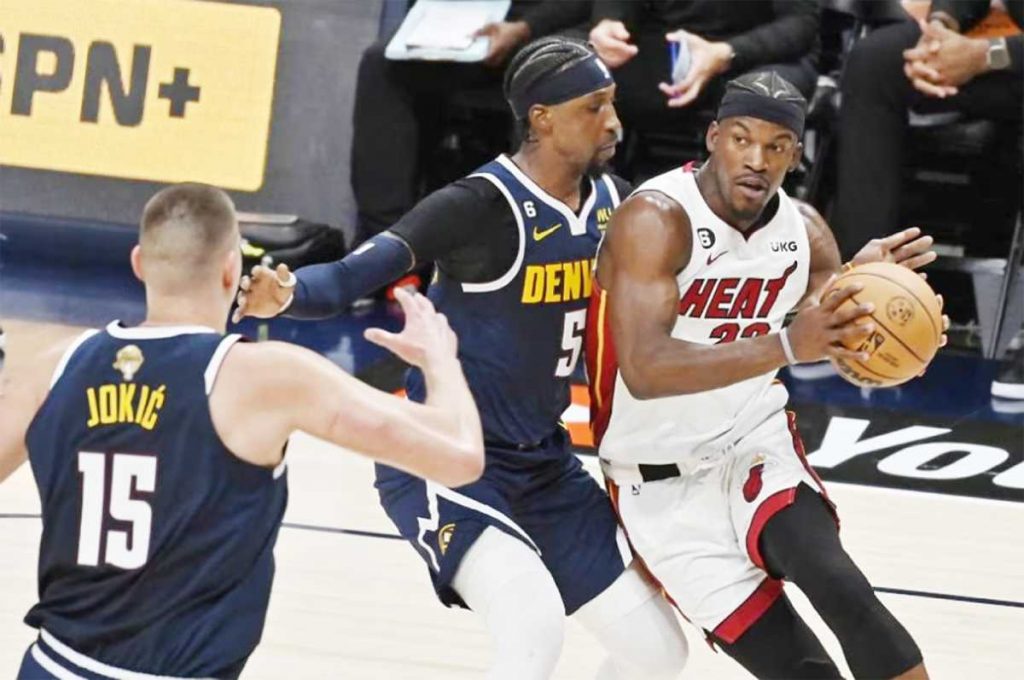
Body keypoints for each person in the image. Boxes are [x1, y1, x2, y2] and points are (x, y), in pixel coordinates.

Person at [235, 37, 690, 680]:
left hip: (544, 465)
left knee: (659, 653)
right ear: (542, 117)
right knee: (531, 626)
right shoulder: (479, 205)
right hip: (443, 455)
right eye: (594, 107)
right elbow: (346, 278)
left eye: (612, 103)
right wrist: (285, 295)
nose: (613, 121)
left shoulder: (618, 204)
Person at [0, 183, 485, 679]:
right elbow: (460, 455)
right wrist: (440, 361)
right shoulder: (266, 378)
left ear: (140, 263)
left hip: (51, 666)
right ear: (232, 269)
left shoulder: (56, 365)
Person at [587, 72, 947, 679]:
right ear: (713, 137)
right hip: (656, 486)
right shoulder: (655, 218)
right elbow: (646, 370)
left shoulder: (805, 234)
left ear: (795, 155)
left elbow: (827, 322)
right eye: (742, 140)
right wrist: (785, 345)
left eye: (777, 145)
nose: (757, 160)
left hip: (751, 445)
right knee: (802, 670)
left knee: (844, 591)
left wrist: (874, 294)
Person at [832, 0, 1023, 400]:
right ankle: (861, 301)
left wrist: (986, 55)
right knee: (875, 61)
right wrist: (940, 30)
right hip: (1003, 48)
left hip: (1006, 54)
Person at [352, 0, 592, 244]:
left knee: (546, 72)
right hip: (471, 21)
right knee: (381, 65)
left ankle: (535, 240)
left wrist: (524, 27)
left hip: (555, 26)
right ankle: (388, 243)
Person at [587, 0, 819, 132]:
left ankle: (750, 213)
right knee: (574, 75)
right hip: (671, 42)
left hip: (758, 51)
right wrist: (609, 21)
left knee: (761, 100)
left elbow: (801, 23)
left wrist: (725, 53)